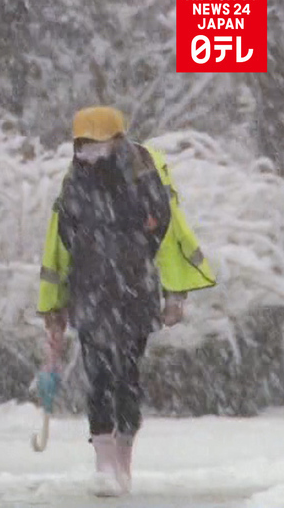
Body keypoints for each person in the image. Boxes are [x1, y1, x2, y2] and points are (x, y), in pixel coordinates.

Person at [35, 106, 217, 497]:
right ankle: (104, 465)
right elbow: (59, 245)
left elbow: (168, 240)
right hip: (89, 295)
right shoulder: (75, 183)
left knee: (126, 377)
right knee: (97, 377)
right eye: (82, 144)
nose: (88, 151)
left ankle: (124, 460)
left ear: (117, 140)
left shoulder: (145, 179)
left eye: (94, 143)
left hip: (135, 295)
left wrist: (175, 294)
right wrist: (53, 305)